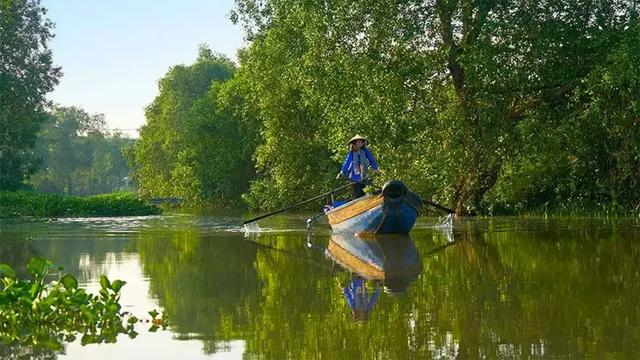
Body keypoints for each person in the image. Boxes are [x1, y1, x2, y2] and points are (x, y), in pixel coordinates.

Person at [336, 134, 379, 199]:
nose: (359, 143)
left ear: (362, 143)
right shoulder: (351, 153)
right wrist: (342, 172)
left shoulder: (365, 151)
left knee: (363, 194)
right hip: (353, 178)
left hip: (363, 177)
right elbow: (347, 163)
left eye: (360, 142)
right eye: (357, 142)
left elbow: (372, 160)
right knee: (357, 195)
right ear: (355, 143)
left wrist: (375, 169)